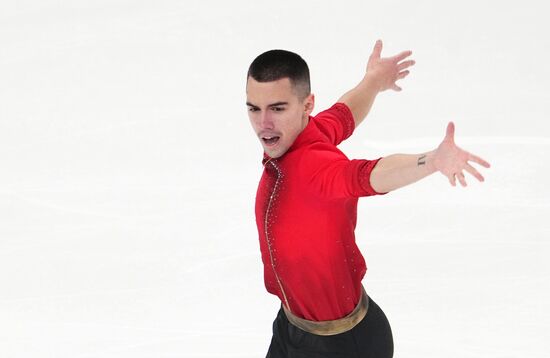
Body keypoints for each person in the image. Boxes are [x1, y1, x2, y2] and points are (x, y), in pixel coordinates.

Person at [245, 40, 491, 358]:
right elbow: (344, 113)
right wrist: (373, 81)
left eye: (277, 108)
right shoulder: (305, 132)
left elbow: (370, 175)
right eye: (254, 108)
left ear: (306, 105)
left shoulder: (316, 169)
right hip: (292, 327)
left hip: (341, 346)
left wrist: (430, 161)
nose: (263, 124)